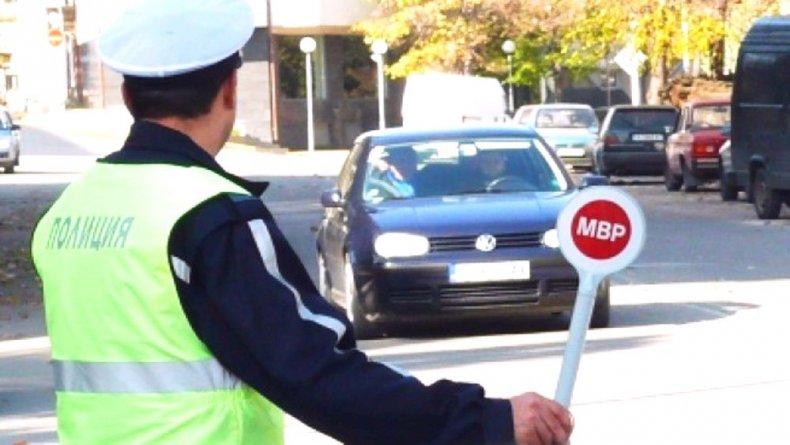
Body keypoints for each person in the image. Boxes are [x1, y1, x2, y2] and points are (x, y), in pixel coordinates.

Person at [30, 1, 573, 444]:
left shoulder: (69, 211)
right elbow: (317, 373)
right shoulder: (208, 212)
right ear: (228, 91)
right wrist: (489, 422)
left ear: (127, 96)